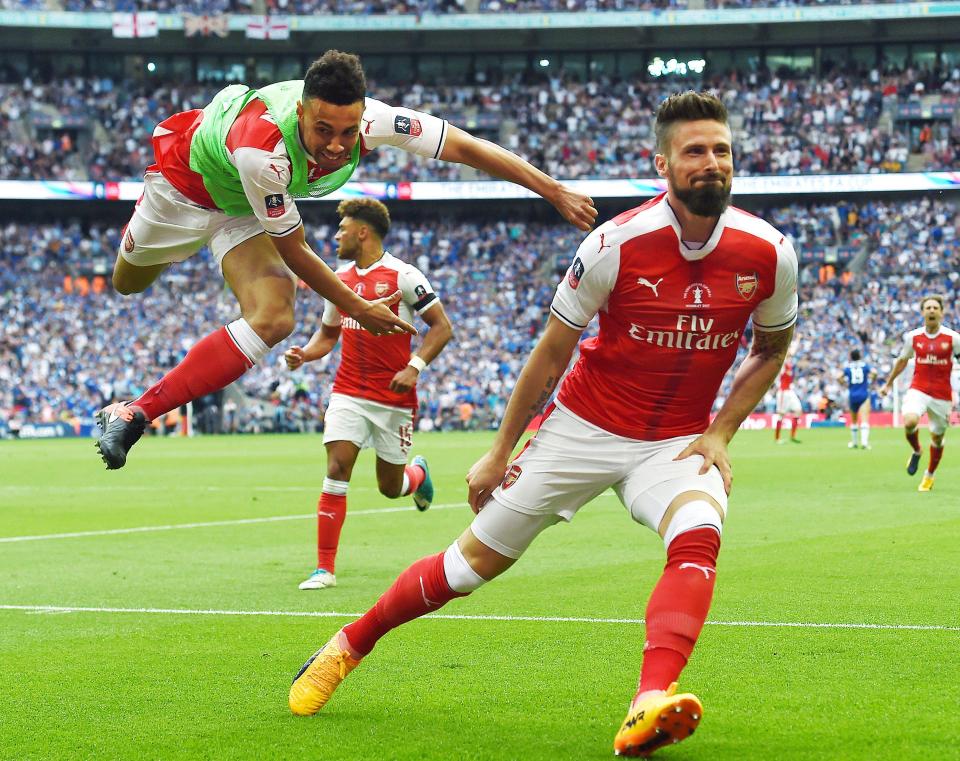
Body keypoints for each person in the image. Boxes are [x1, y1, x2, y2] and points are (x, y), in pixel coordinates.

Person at [287, 91, 798, 758]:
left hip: (677, 440)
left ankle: (649, 701)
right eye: (695, 151)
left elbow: (771, 346)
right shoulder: (615, 244)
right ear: (663, 164)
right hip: (581, 427)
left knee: (699, 534)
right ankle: (350, 642)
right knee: (466, 567)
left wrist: (722, 431)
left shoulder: (770, 252)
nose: (711, 163)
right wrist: (500, 450)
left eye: (722, 151)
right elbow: (552, 350)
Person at [95, 50, 597, 470]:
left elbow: (463, 145)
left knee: (274, 318)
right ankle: (149, 245)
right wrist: (357, 307)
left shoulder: (372, 120)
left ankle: (134, 412)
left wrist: (551, 189)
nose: (337, 145)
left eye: (348, 131)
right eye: (323, 131)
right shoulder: (263, 151)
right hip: (185, 190)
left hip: (246, 209)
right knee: (128, 283)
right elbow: (295, 251)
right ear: (299, 117)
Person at [284, 198, 452, 591]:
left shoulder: (404, 276)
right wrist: (305, 355)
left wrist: (414, 367)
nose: (336, 236)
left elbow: (442, 327)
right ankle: (324, 569)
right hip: (348, 392)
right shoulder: (337, 279)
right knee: (337, 469)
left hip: (393, 399)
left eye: (342, 229)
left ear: (363, 232)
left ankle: (418, 475)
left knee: (390, 488)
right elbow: (328, 335)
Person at [880, 295, 960, 492]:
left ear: (941, 312)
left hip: (942, 395)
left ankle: (929, 476)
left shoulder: (953, 339)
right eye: (928, 308)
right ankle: (917, 450)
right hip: (919, 389)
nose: (932, 310)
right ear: (922, 312)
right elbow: (902, 361)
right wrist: (888, 384)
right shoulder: (913, 337)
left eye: (935, 307)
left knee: (938, 439)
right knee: (909, 422)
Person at [841, 348, 875, 449]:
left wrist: (844, 384)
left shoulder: (848, 367)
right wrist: (872, 380)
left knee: (854, 420)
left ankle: (854, 443)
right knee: (864, 420)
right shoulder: (864, 366)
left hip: (852, 395)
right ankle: (864, 443)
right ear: (860, 356)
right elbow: (875, 372)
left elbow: (838, 377)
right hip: (863, 394)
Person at [773, 358, 802, 444]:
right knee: (781, 415)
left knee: (798, 410)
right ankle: (777, 439)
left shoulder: (789, 364)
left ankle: (793, 436)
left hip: (790, 391)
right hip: (783, 392)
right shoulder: (782, 365)